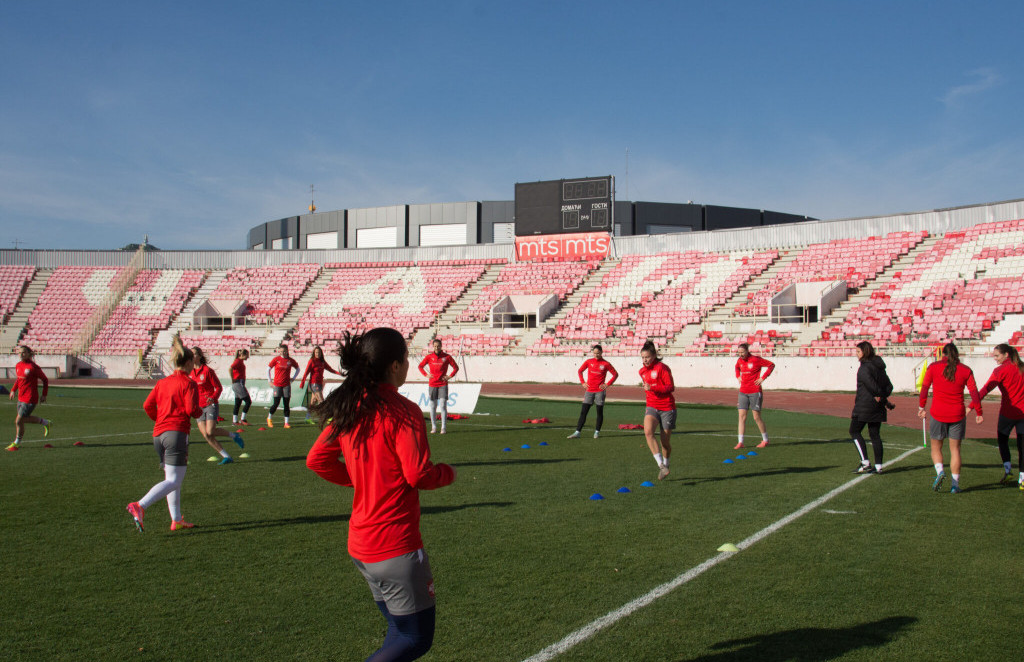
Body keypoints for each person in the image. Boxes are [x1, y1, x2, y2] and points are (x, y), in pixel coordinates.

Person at [306, 328, 456, 662]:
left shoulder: (351, 405)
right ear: (394, 366)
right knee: (416, 639)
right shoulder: (402, 411)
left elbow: (316, 460)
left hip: (362, 546)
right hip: (395, 547)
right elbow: (419, 474)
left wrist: (360, 480)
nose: (407, 366)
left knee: (399, 631)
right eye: (405, 359)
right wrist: (448, 472)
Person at [127, 335, 203, 532]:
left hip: (158, 434)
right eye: (192, 363)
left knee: (171, 479)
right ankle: (140, 505)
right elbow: (190, 409)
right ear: (187, 362)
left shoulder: (162, 382)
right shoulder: (188, 383)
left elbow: (147, 405)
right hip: (176, 433)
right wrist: (200, 411)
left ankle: (176, 519)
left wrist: (160, 419)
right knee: (174, 480)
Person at [918, 342, 983, 493]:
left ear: (942, 354)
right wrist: (979, 412)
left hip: (938, 413)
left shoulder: (933, 367)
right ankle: (955, 485)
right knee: (955, 450)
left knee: (936, 447)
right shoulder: (965, 370)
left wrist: (922, 406)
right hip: (957, 414)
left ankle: (940, 471)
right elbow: (974, 393)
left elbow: (925, 388)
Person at [977, 343, 1024, 488]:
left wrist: (972, 405)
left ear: (1006, 355)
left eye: (997, 356)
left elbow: (986, 389)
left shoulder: (1000, 370)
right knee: (1022, 445)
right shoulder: (1022, 368)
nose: (995, 359)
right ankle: (1022, 478)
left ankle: (1008, 470)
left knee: (1002, 441)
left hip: (1007, 413)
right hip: (1022, 413)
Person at [190, 346, 244, 465]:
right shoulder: (189, 372)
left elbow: (218, 387)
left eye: (194, 354)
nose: (192, 356)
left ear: (199, 356)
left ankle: (234, 435)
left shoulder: (207, 371)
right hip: (198, 407)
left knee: (210, 431)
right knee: (207, 435)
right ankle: (227, 456)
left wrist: (213, 398)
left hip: (210, 404)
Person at [850, 341, 894, 474]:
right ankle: (879, 466)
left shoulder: (864, 368)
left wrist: (879, 395)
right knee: (875, 434)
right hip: (877, 407)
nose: (856, 355)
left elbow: (872, 387)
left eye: (858, 352)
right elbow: (889, 386)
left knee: (854, 431)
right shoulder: (879, 367)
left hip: (865, 406)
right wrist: (884, 399)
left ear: (865, 352)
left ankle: (865, 462)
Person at [639, 340, 675, 480]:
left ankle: (666, 464)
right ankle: (661, 466)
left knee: (665, 443)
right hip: (652, 406)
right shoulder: (641, 371)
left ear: (654, 355)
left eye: (647, 357)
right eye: (642, 357)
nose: (645, 360)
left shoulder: (663, 368)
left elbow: (670, 387)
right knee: (648, 432)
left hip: (667, 407)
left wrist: (652, 387)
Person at [568, 344, 618, 439]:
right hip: (589, 391)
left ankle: (597, 432)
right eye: (594, 353)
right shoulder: (588, 361)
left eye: (598, 353)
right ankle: (577, 432)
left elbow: (615, 374)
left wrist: (607, 384)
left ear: (601, 353)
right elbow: (580, 371)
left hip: (600, 391)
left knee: (599, 412)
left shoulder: (606, 364)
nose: (596, 355)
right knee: (584, 412)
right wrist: (583, 382)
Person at [6, 345, 51, 451]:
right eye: (20, 352)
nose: (21, 354)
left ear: (29, 354)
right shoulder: (18, 365)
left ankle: (16, 443)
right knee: (22, 420)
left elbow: (45, 380)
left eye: (24, 352)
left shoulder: (33, 367)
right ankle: (45, 423)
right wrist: (13, 390)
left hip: (30, 398)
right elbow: (19, 380)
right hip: (20, 397)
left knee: (18, 420)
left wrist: (44, 394)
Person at [734, 343, 775, 449]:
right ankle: (740, 442)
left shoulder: (756, 359)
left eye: (742, 352)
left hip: (755, 392)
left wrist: (763, 378)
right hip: (743, 391)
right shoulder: (739, 360)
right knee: (741, 417)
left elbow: (771, 365)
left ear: (747, 351)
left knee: (756, 417)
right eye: (739, 352)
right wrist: (738, 376)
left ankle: (765, 440)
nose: (741, 354)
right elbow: (737, 368)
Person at [417, 338, 459, 434]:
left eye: (438, 346)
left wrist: (449, 376)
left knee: (443, 405)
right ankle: (434, 427)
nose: (436, 348)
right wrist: (426, 375)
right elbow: (420, 366)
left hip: (443, 384)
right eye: (435, 346)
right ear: (433, 346)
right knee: (433, 406)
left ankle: (443, 427)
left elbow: (456, 367)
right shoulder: (429, 357)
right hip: (432, 384)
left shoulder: (447, 357)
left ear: (441, 346)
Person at [299, 345, 340, 424]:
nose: (317, 354)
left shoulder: (322, 362)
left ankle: (307, 418)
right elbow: (306, 372)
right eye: (316, 352)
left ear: (321, 353)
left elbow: (330, 369)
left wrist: (339, 373)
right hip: (313, 384)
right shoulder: (312, 361)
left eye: (319, 352)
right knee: (321, 401)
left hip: (319, 383)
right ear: (314, 353)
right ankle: (328, 417)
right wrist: (302, 382)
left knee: (313, 402)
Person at [267, 344, 300, 428]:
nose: (283, 353)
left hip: (286, 385)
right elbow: (268, 369)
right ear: (279, 351)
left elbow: (298, 369)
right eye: (281, 351)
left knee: (286, 404)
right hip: (277, 384)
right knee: (276, 403)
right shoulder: (276, 359)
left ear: (287, 351)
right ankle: (269, 418)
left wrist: (293, 378)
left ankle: (286, 423)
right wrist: (270, 381)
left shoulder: (290, 360)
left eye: (284, 351)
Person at [230, 348, 252, 425]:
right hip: (238, 384)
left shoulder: (240, 361)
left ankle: (235, 421)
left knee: (238, 403)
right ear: (243, 354)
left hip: (238, 384)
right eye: (247, 355)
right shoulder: (238, 361)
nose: (248, 357)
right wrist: (232, 379)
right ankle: (243, 419)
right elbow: (230, 368)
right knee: (248, 401)